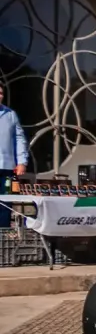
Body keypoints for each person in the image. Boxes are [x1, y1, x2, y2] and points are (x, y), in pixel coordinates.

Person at [0, 81, 30, 235]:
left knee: (5, 204)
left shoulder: (10, 114)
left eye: (1, 93)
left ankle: (3, 236)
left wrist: (22, 162)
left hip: (6, 167)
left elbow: (19, 138)